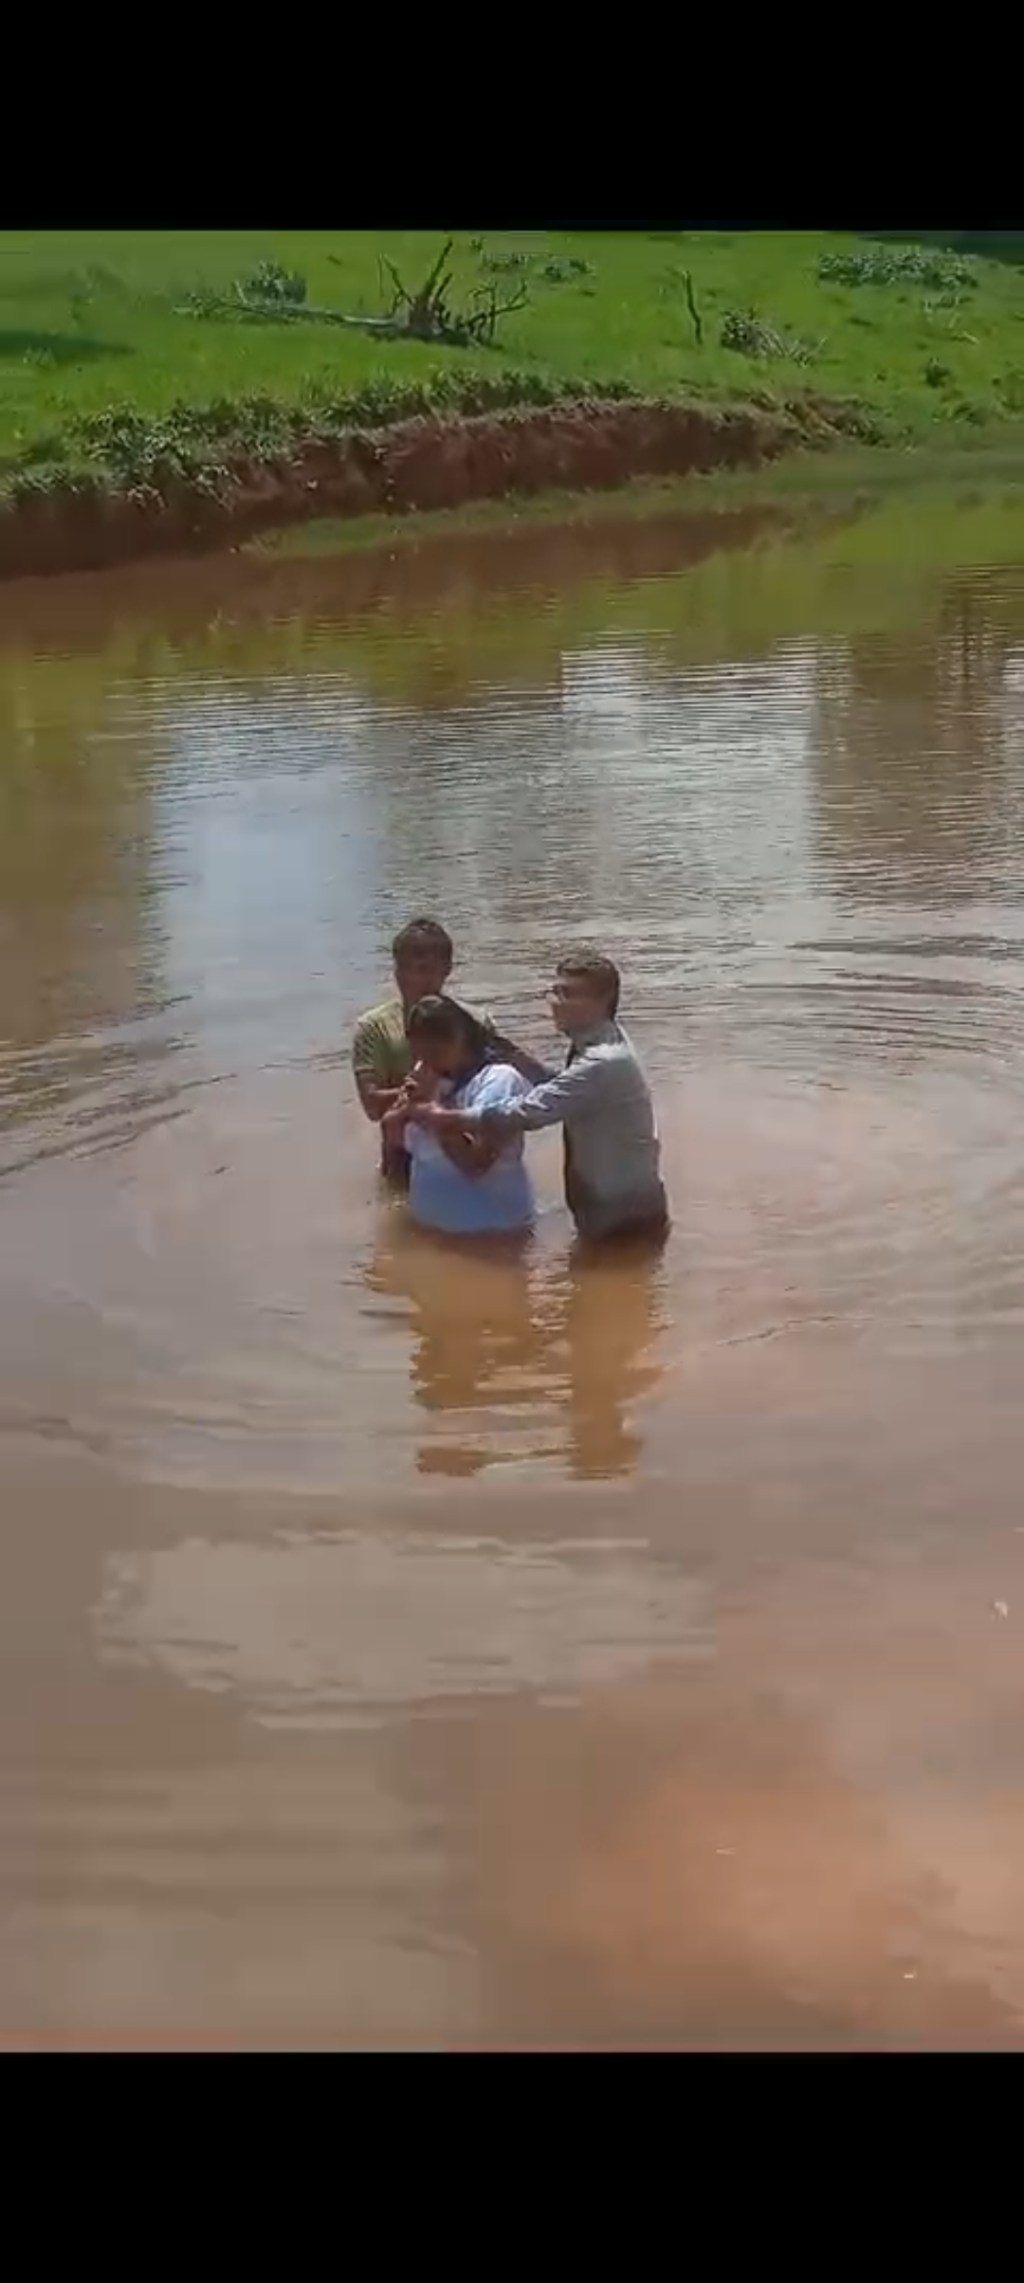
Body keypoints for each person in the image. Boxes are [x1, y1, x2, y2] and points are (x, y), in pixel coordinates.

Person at [407, 946, 668, 1244]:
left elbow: (528, 1112)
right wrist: (523, 1061)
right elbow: (571, 1090)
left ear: (603, 1000)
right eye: (554, 991)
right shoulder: (600, 1043)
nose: (555, 1003)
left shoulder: (603, 1061)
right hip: (609, 1209)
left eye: (569, 994)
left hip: (623, 1216)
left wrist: (443, 1117)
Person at [352, 917, 515, 1184]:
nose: (412, 978)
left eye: (424, 969)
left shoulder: (475, 1021)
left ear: (447, 969)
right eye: (404, 968)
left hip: (464, 1141)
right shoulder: (374, 1027)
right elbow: (371, 1106)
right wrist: (422, 1091)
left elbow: (497, 1091)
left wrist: (436, 1089)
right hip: (402, 1155)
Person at [382, 996, 535, 1238]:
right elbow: (392, 1136)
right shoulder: (429, 1080)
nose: (426, 1060)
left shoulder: (499, 1080)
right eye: (419, 1051)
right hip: (428, 1237)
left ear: (460, 1039)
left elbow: (475, 1163)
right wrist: (406, 1106)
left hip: (492, 1237)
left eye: (434, 1049)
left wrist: (431, 1107)